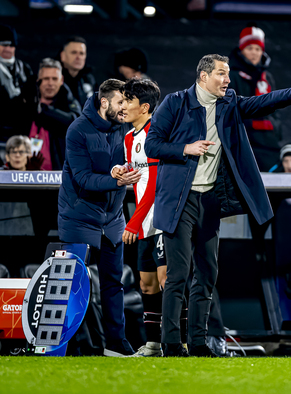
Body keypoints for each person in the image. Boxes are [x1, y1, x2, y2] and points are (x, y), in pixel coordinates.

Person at [144, 53, 291, 357]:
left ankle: (197, 343)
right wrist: (185, 148)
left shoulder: (229, 102)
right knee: (178, 275)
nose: (227, 80)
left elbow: (263, 103)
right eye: (221, 73)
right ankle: (169, 344)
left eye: (228, 74)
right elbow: (152, 144)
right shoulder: (175, 102)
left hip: (209, 201)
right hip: (179, 200)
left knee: (206, 275)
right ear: (203, 76)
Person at [58, 79, 140, 357]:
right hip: (79, 217)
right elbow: (82, 179)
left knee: (113, 281)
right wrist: (116, 181)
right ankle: (76, 343)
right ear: (103, 102)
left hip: (113, 218)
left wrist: (127, 172)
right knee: (74, 282)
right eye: (120, 102)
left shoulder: (123, 129)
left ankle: (116, 342)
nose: (124, 108)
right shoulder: (77, 130)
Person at [109, 78, 165, 357]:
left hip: (163, 220)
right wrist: (119, 168)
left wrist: (133, 221)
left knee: (169, 280)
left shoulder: (157, 134)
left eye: (128, 101)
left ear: (144, 107)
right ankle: (154, 344)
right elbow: (136, 171)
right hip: (144, 222)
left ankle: (182, 342)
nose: (123, 106)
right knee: (147, 283)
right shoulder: (129, 138)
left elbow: (155, 184)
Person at [228, 25, 281, 172]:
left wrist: (275, 127)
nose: (254, 53)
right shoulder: (231, 76)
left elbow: (276, 107)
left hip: (268, 143)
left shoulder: (267, 77)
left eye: (258, 49)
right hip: (244, 141)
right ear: (241, 50)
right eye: (250, 48)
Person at [30, 58, 81, 171]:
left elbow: (75, 124)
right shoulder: (26, 103)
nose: (50, 83)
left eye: (54, 79)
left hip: (59, 173)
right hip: (25, 174)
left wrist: (45, 110)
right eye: (46, 79)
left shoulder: (69, 102)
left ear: (61, 80)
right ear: (38, 80)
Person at [0, 24, 36, 141]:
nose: (8, 49)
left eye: (12, 45)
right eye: (4, 45)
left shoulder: (24, 68)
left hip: (22, 132)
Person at [60, 36, 97, 106]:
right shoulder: (53, 78)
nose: (78, 57)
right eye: (74, 52)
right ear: (63, 55)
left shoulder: (89, 79)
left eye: (81, 53)